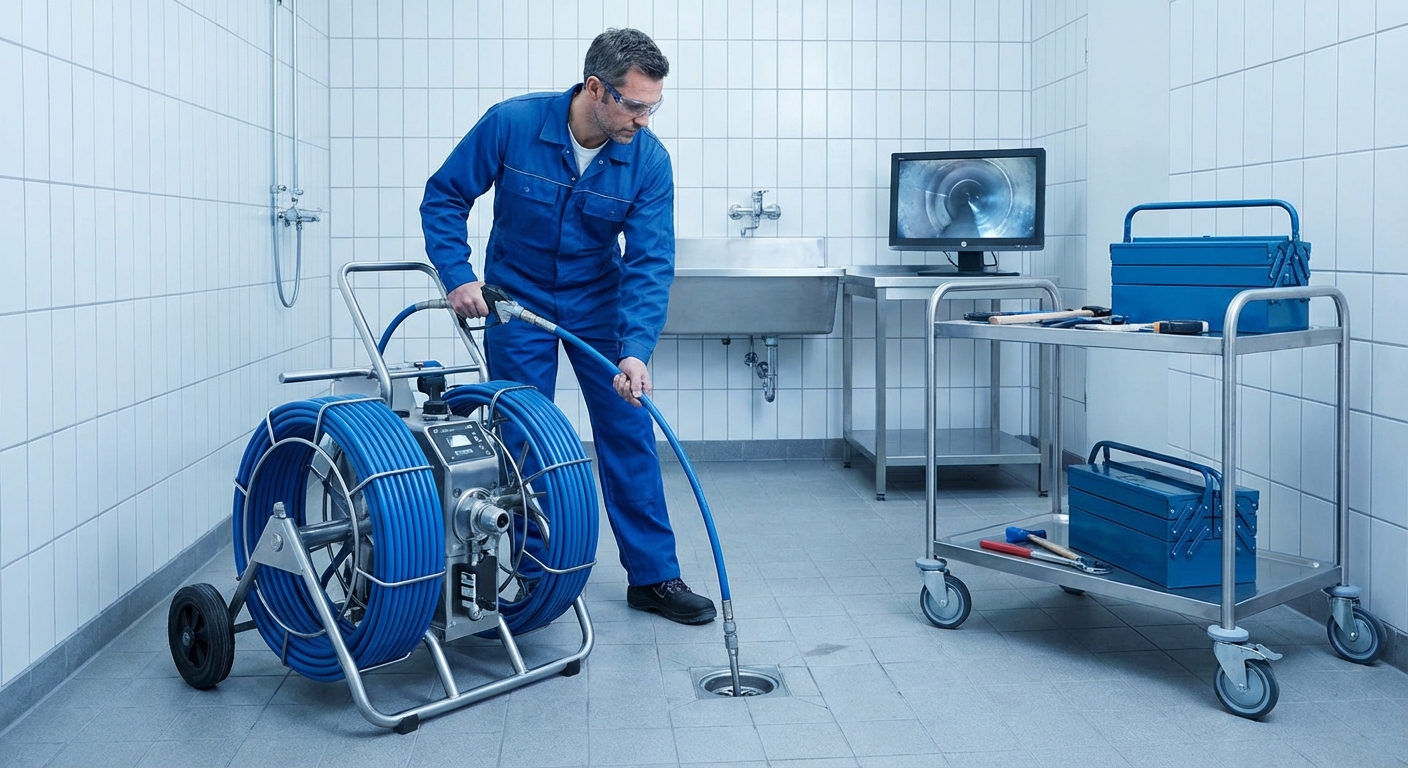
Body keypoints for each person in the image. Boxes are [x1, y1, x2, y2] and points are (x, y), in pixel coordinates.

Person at [420, 28, 716, 625]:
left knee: (628, 430)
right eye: (634, 105)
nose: (644, 119)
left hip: (598, 306)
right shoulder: (511, 125)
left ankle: (654, 577)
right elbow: (445, 196)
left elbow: (651, 260)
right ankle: (536, 579)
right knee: (528, 439)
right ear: (595, 89)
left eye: (653, 105)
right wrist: (457, 276)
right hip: (518, 301)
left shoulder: (648, 161)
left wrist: (635, 352)